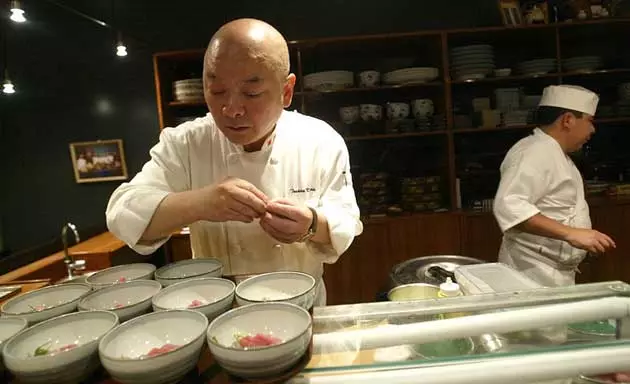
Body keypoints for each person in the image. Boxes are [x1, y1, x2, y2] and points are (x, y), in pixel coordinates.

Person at [105, 18, 363, 306]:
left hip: (300, 307)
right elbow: (122, 213)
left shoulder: (320, 140)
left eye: (251, 93)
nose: (231, 109)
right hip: (216, 311)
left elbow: (346, 221)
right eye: (216, 91)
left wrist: (312, 224)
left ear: (286, 91)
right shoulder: (186, 143)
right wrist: (202, 203)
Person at [493, 84, 616, 287]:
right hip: (531, 273)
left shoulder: (557, 154)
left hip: (553, 272)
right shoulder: (534, 151)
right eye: (589, 121)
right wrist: (571, 233)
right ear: (567, 120)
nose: (593, 129)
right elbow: (510, 205)